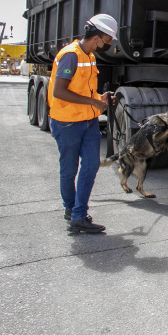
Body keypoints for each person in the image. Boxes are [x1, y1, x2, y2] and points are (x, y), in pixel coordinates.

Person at [48, 14, 118, 234]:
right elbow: (59, 92)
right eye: (107, 40)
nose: (108, 44)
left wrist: (100, 97)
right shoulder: (70, 56)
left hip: (88, 121)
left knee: (91, 165)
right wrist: (92, 101)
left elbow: (84, 90)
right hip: (67, 122)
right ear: (96, 36)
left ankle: (79, 214)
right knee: (69, 170)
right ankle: (71, 210)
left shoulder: (90, 56)